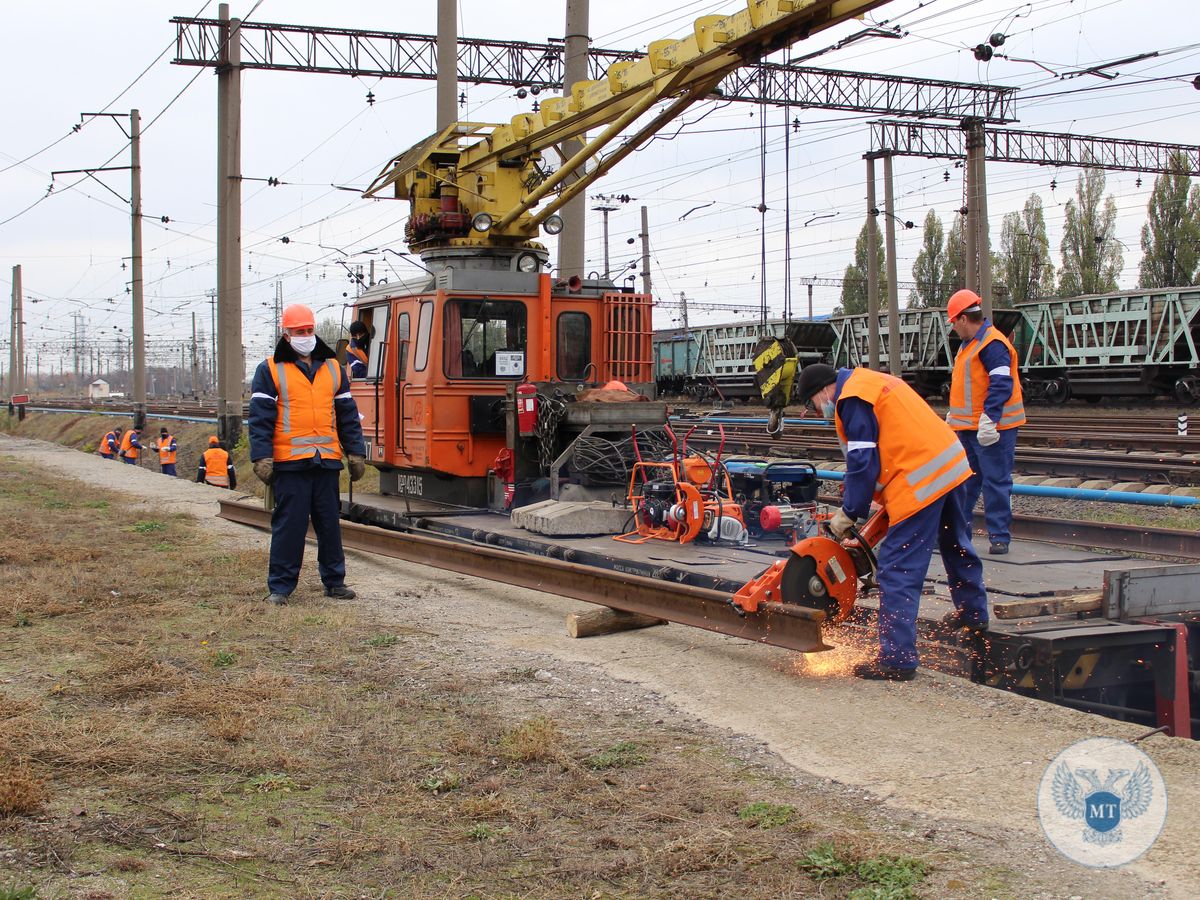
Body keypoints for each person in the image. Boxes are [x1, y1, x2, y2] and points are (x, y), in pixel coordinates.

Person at [796, 363, 990, 681]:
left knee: (897, 567)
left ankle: (897, 659)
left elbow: (862, 461)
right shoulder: (870, 380)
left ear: (822, 391)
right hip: (951, 465)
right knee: (956, 545)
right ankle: (974, 614)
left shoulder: (851, 398)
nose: (819, 412)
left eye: (813, 405)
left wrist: (850, 512)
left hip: (921, 480)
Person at [249, 303, 367, 606]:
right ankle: (281, 587)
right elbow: (260, 418)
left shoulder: (333, 368)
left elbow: (347, 415)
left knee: (329, 524)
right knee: (290, 526)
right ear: (286, 335)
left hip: (326, 461)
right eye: (299, 331)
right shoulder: (270, 369)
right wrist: (261, 457)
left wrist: (355, 452)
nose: (305, 335)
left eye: (309, 330)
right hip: (290, 464)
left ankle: (334, 581)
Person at [945, 289, 1026, 555]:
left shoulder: (992, 343)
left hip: (994, 429)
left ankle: (999, 538)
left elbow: (1001, 383)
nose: (954, 328)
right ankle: (960, 535)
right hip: (968, 428)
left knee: (995, 482)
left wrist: (990, 419)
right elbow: (969, 386)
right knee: (965, 484)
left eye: (954, 323)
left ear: (964, 319)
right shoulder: (970, 344)